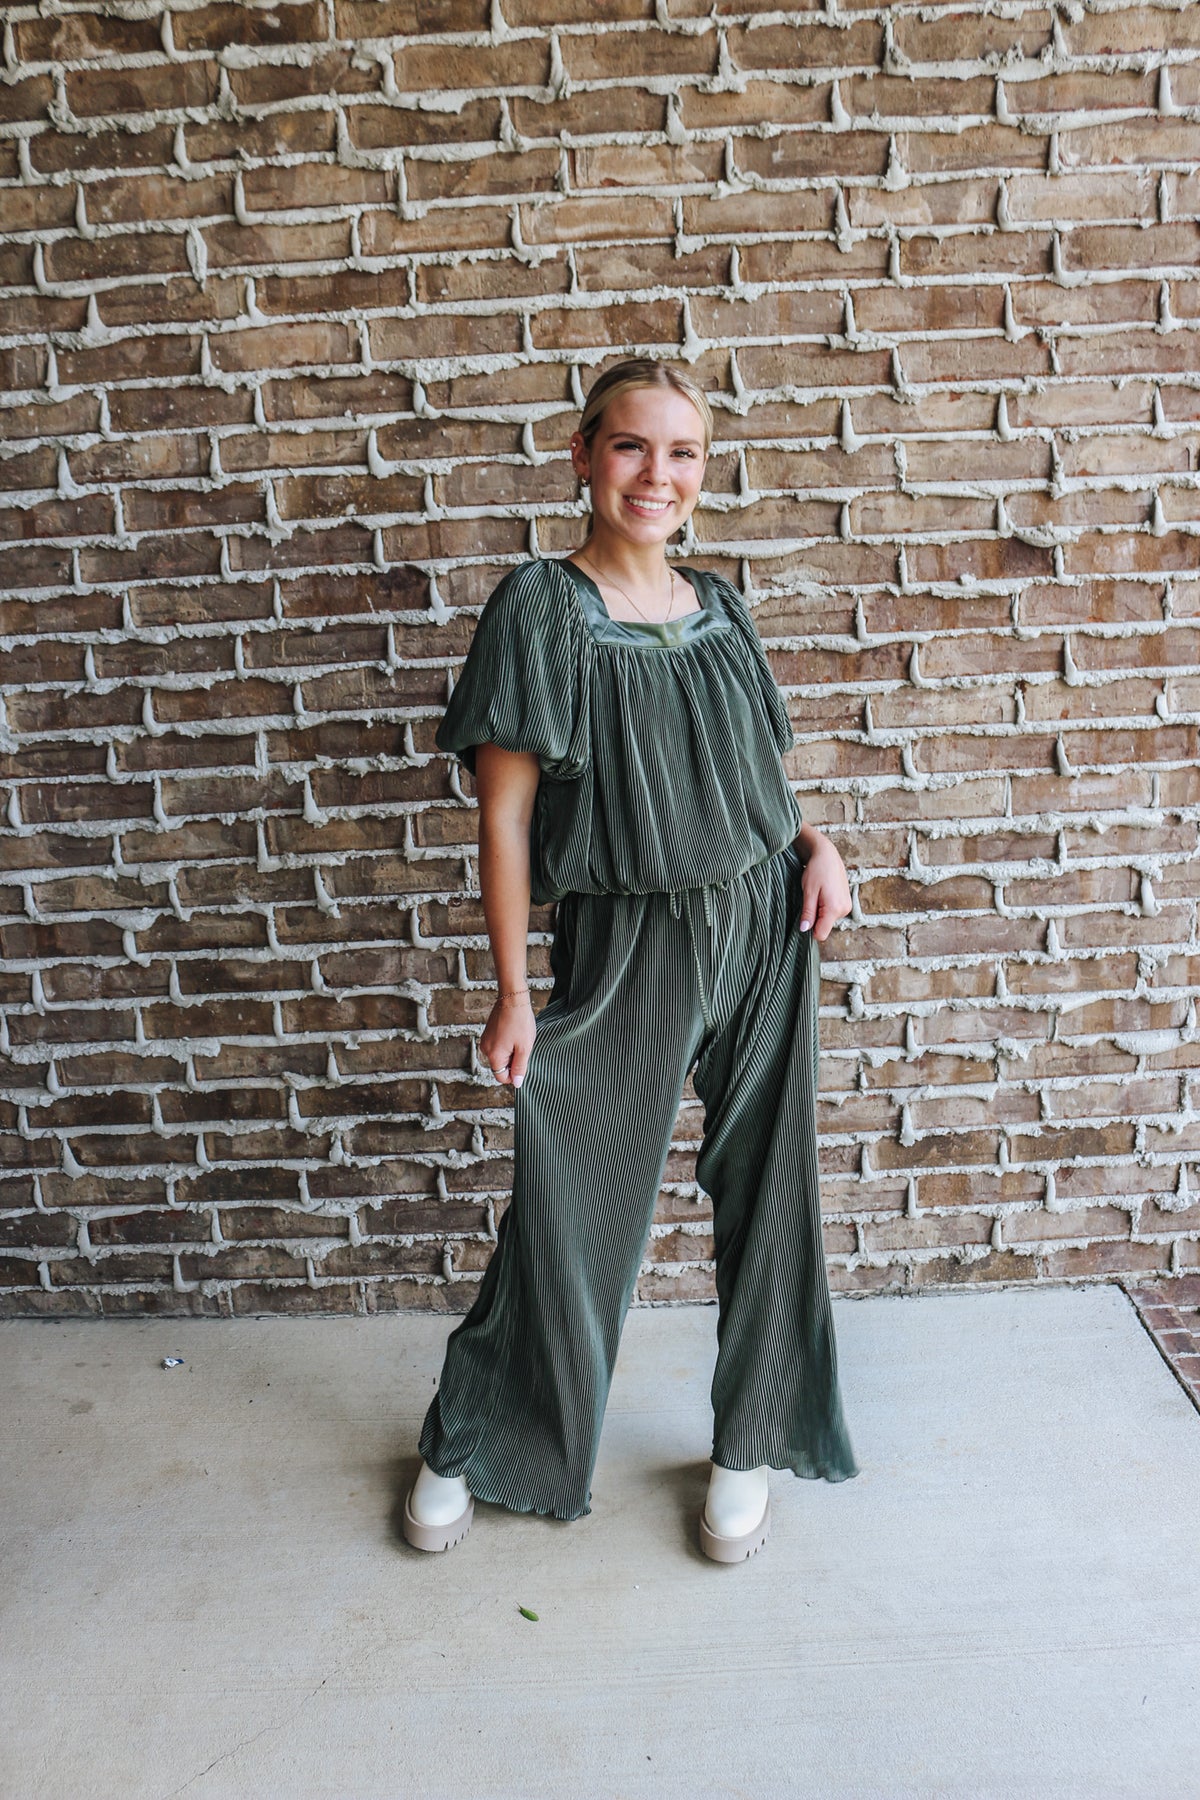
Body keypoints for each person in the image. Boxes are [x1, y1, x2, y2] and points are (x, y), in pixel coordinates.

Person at [402, 358, 859, 1563]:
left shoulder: (720, 605)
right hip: (628, 940)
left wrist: (814, 842)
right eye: (631, 446)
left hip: (766, 925)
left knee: (773, 1190)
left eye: (683, 452)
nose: (659, 474)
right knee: (573, 1208)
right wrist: (513, 991)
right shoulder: (542, 608)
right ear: (583, 455)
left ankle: (751, 1438)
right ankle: (473, 1439)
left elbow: (754, 772)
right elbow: (505, 819)